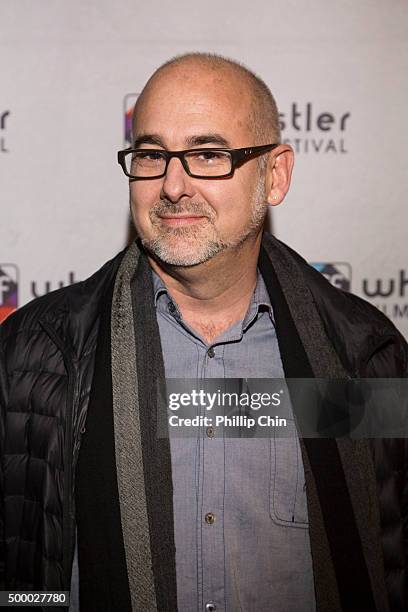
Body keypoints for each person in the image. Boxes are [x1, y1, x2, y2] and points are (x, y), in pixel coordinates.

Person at [0, 52, 407, 612]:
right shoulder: (39, 354)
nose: (172, 185)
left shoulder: (361, 355)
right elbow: (20, 579)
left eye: (208, 154)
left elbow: (389, 555)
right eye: (151, 154)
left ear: (276, 175)